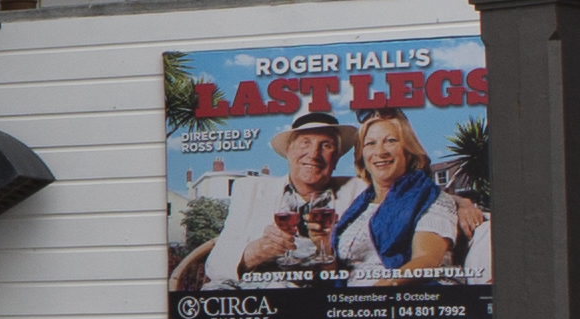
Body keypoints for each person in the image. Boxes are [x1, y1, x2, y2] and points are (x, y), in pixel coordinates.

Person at [173, 111, 355, 290]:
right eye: (305, 143)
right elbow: (215, 268)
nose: (314, 154)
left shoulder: (356, 192)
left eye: (326, 145)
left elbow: (363, 270)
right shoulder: (250, 190)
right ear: (288, 151)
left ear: (338, 156)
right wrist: (257, 251)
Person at [326, 110, 485, 283]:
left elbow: (426, 260)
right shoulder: (358, 205)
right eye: (370, 143)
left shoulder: (429, 198)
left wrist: (373, 294)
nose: (380, 152)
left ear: (408, 151)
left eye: (391, 141)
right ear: (362, 155)